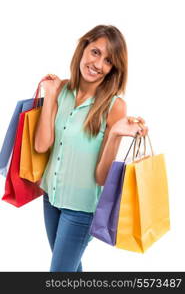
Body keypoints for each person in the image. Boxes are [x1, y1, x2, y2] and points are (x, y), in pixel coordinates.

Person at [34, 24, 148, 272]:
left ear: (113, 69)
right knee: (70, 270)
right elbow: (42, 145)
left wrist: (116, 134)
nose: (98, 64)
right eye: (96, 52)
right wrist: (51, 97)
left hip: (81, 211)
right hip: (50, 200)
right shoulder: (62, 89)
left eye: (108, 61)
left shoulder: (114, 106)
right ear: (83, 47)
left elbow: (101, 178)